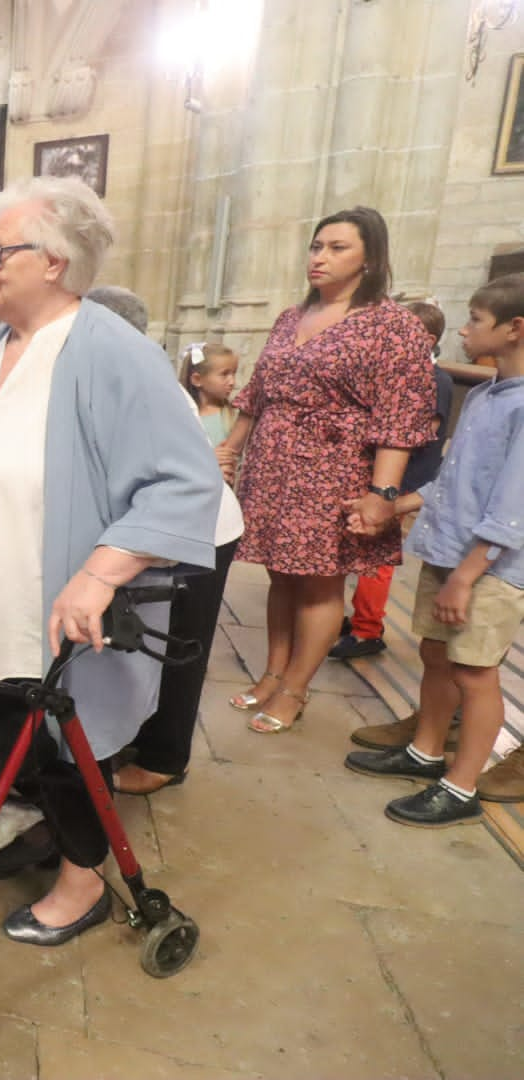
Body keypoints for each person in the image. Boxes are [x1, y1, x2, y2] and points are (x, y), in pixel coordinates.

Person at [0, 178, 220, 946]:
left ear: (53, 261)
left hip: (55, 592)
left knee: (68, 737)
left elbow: (187, 482)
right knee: (20, 725)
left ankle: (84, 886)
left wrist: (102, 570)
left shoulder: (112, 350)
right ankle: (50, 832)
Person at [217, 206, 436, 733]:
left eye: (337, 248)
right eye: (317, 246)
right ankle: (273, 673)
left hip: (332, 470)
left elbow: (398, 416)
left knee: (317, 584)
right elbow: (259, 393)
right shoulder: (292, 316)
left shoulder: (392, 325)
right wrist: (231, 447)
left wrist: (382, 493)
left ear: (371, 258)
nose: (320, 257)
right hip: (273, 464)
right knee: (280, 576)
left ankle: (295, 689)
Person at [343, 273, 524, 821]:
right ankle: (425, 750)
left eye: (474, 320)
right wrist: (390, 504)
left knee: (475, 670)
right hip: (452, 552)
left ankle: (463, 785)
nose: (464, 331)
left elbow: (514, 503)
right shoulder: (489, 394)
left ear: (515, 329)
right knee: (436, 653)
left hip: (488, 567)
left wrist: (470, 574)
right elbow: (454, 478)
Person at [78, 296, 246, 798]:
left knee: (178, 647)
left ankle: (166, 757)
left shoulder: (146, 384)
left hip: (201, 533)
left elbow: (184, 478)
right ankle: (138, 734)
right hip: (158, 530)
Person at [331, 300, 457, 661]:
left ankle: (368, 629)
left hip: (403, 482)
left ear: (427, 339)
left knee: (377, 557)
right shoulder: (397, 374)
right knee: (357, 550)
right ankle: (357, 616)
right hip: (380, 478)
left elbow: (421, 433)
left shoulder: (437, 380)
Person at [179, 341, 239, 445]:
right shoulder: (181, 419)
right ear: (197, 379)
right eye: (224, 374)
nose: (232, 382)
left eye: (234, 373)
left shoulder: (233, 416)